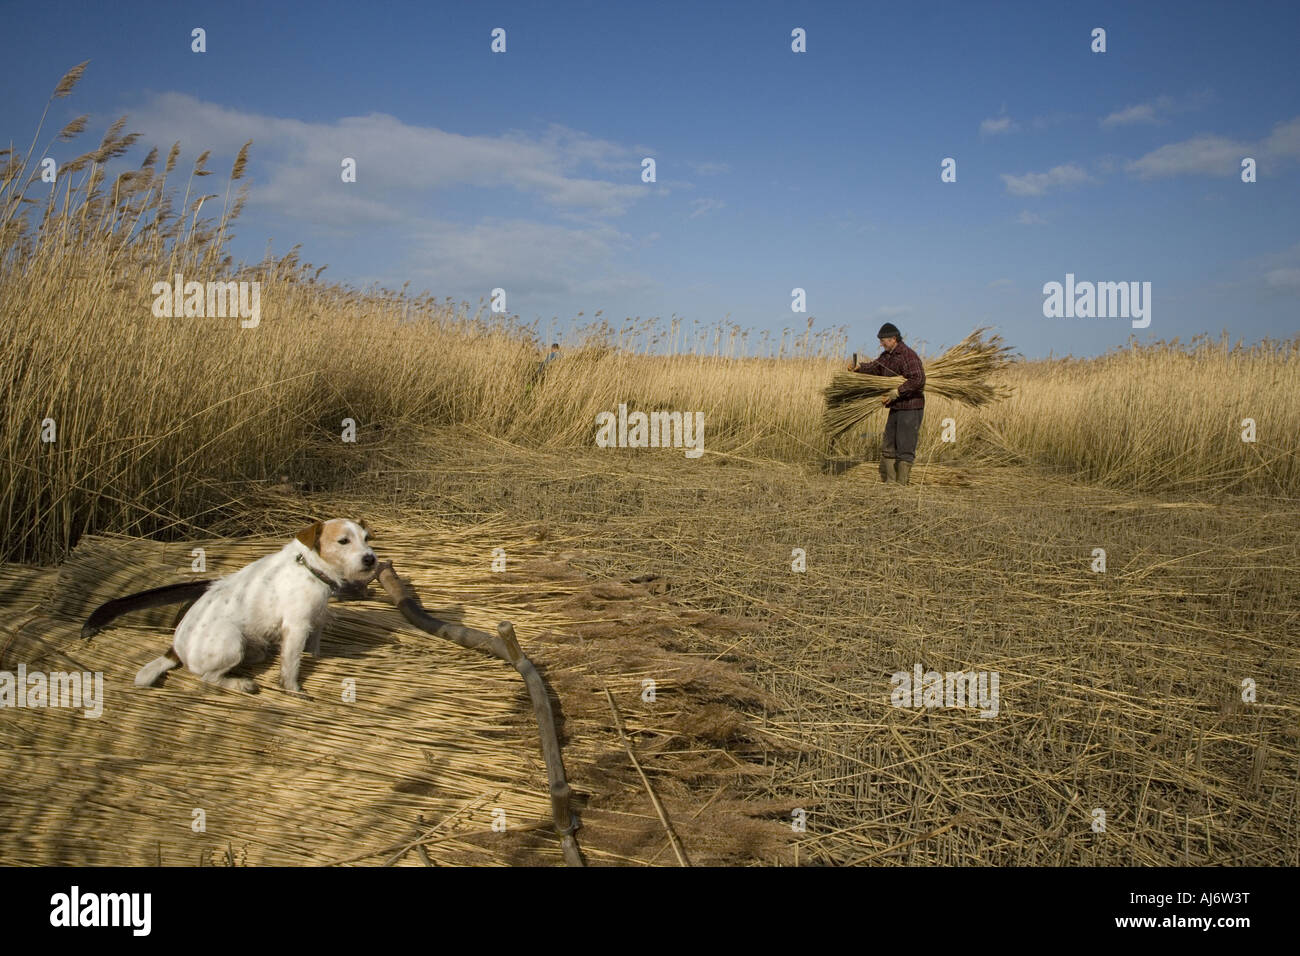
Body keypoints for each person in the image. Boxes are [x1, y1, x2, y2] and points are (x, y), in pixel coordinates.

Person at [847, 322, 925, 485]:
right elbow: (875, 367)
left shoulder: (908, 355)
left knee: (905, 446)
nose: (881, 343)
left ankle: (901, 485)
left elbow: (918, 379)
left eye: (883, 340)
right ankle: (890, 483)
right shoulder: (887, 356)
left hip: (910, 406)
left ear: (893, 339)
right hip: (896, 406)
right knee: (889, 443)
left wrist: (897, 392)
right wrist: (859, 368)